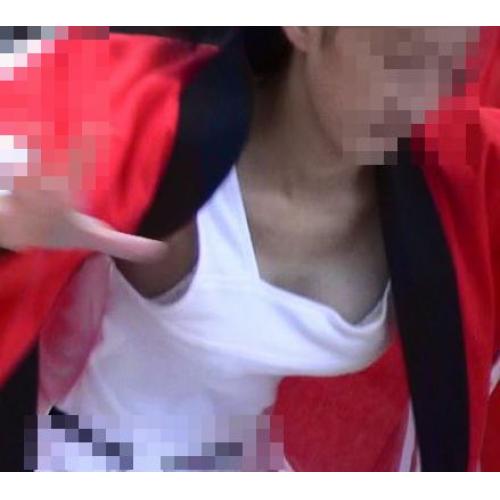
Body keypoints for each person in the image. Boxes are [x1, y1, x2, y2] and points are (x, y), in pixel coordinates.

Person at [0, 26, 499, 471]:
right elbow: (32, 108)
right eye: (401, 59)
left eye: (448, 72)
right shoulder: (157, 128)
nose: (424, 101)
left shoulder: (443, 195)